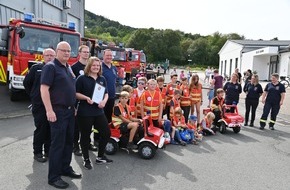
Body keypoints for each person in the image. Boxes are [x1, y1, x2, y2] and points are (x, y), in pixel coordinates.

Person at [40, 41, 81, 189]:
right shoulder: (50, 67)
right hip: (57, 111)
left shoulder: (68, 67)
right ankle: (54, 177)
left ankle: (65, 168)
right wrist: (49, 110)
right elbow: (44, 89)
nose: (66, 53)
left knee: (68, 141)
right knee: (57, 144)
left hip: (70, 111)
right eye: (63, 50)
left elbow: (70, 88)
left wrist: (73, 107)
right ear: (57, 51)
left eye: (69, 51)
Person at [75, 57, 112, 170]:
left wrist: (104, 101)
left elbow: (106, 93)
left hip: (98, 111)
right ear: (89, 66)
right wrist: (86, 98)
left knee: (106, 133)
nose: (96, 67)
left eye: (98, 65)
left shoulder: (102, 79)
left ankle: (100, 157)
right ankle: (86, 159)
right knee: (85, 136)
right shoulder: (82, 78)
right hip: (85, 112)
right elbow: (75, 93)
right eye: (94, 65)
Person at [23, 48, 55, 163]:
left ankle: (48, 151)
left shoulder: (56, 69)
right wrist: (34, 96)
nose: (49, 57)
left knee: (50, 129)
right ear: (43, 56)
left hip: (53, 105)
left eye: (52, 55)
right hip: (39, 105)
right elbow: (27, 83)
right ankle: (37, 152)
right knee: (41, 129)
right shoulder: (36, 68)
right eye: (47, 55)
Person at [71, 45, 98, 156]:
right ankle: (75, 146)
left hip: (91, 102)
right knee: (77, 125)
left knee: (89, 125)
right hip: (79, 101)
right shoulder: (74, 67)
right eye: (84, 52)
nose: (86, 54)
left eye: (88, 52)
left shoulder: (91, 66)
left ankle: (87, 143)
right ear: (79, 53)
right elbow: (72, 86)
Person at [102, 49, 118, 123]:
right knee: (101, 118)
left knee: (109, 118)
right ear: (103, 56)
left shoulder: (114, 68)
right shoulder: (99, 67)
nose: (109, 57)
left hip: (111, 97)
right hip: (102, 97)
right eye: (107, 55)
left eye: (110, 55)